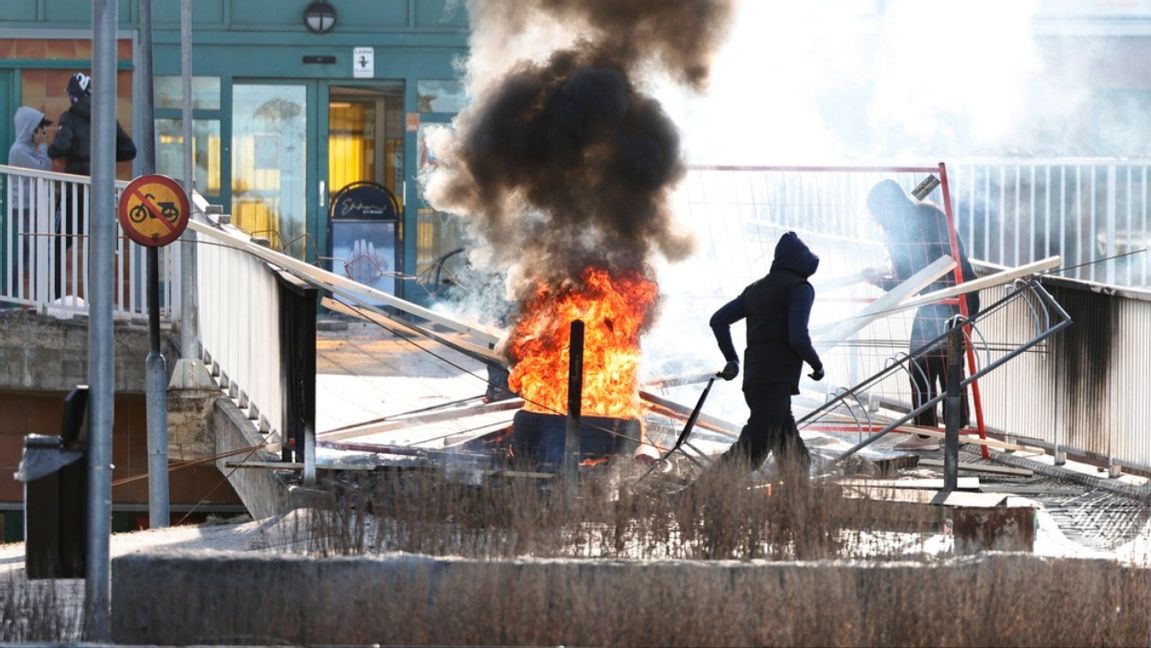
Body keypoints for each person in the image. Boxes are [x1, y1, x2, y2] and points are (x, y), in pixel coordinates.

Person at [864, 179, 980, 449]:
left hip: (941, 300)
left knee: (921, 366)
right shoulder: (929, 212)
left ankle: (926, 434)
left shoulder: (902, 230)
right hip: (965, 293)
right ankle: (957, 430)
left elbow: (907, 284)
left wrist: (878, 280)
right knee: (951, 365)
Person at [706, 231, 825, 483]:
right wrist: (817, 364)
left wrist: (732, 359)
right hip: (776, 380)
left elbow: (718, 320)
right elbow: (798, 336)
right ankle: (692, 498)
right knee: (752, 452)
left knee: (794, 457)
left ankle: (797, 514)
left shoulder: (755, 289)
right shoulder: (800, 289)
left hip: (757, 380)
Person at [46, 72, 137, 248]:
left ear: (74, 96)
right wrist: (103, 158)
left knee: (57, 243)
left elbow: (61, 145)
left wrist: (53, 152)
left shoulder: (69, 117)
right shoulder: (107, 118)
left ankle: (52, 276)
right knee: (97, 249)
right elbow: (129, 150)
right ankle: (95, 277)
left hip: (73, 190)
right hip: (100, 193)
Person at [7, 106, 53, 294]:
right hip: (25, 207)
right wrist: (42, 146)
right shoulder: (19, 150)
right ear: (29, 129)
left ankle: (9, 295)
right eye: (39, 128)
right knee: (37, 249)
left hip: (34, 206)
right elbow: (44, 169)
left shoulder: (28, 149)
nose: (42, 132)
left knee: (28, 252)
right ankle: (37, 296)